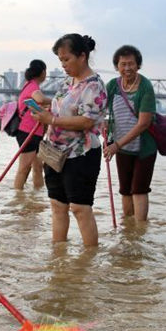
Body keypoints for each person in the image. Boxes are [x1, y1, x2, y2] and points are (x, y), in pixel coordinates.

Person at [29, 34, 107, 246]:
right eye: (60, 60)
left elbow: (87, 121)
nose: (63, 65)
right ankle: (59, 257)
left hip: (81, 154)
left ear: (82, 56)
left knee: (80, 208)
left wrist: (51, 119)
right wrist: (43, 107)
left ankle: (89, 258)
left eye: (66, 59)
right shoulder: (68, 82)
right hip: (55, 152)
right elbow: (61, 106)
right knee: (57, 205)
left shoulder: (94, 86)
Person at [104, 45, 157, 222]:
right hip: (121, 148)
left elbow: (144, 123)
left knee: (139, 189)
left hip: (144, 148)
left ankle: (140, 231)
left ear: (138, 65)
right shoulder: (112, 86)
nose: (127, 68)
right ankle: (128, 232)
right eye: (123, 64)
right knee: (125, 190)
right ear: (117, 66)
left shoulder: (145, 86)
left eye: (131, 64)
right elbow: (97, 108)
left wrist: (116, 145)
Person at [13, 59, 47, 190]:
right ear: (43, 72)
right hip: (28, 132)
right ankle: (18, 198)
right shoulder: (33, 86)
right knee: (24, 169)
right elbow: (41, 99)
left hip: (34, 132)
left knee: (38, 167)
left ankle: (37, 198)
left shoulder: (29, 85)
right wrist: (58, 101)